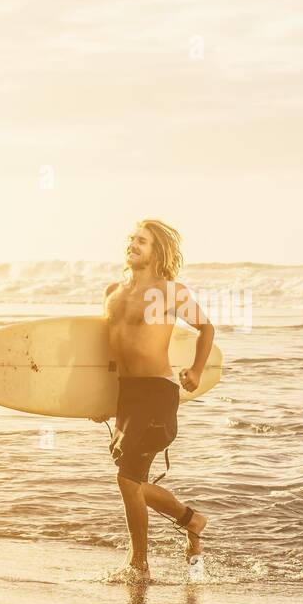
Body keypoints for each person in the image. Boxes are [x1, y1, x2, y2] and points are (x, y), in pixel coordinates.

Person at [92, 220, 215, 580]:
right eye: (131, 239)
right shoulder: (112, 291)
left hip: (158, 393)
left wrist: (195, 370)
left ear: (156, 251)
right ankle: (192, 521)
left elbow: (206, 328)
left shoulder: (170, 292)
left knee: (127, 480)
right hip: (127, 396)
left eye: (141, 241)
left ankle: (139, 564)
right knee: (133, 482)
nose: (132, 245)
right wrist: (103, 400)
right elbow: (111, 354)